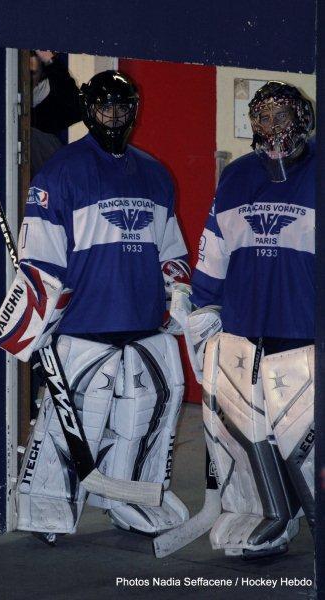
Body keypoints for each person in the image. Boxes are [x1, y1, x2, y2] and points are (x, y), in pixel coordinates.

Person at [0, 70, 191, 541]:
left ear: (135, 109)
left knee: (142, 420)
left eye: (122, 107)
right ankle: (47, 511)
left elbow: (171, 251)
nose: (114, 116)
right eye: (104, 107)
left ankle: (129, 502)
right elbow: (41, 261)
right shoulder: (60, 173)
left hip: (144, 325)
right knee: (72, 426)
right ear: (88, 109)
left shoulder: (155, 174)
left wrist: (179, 297)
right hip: (83, 327)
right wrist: (31, 328)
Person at [179, 81, 315, 558]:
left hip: (304, 330)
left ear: (303, 118)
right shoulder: (236, 177)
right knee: (250, 434)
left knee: (304, 441)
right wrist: (201, 306)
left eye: (283, 117)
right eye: (264, 118)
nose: (274, 128)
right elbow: (213, 253)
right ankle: (272, 516)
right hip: (245, 330)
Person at [30, 50, 82, 176]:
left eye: (32, 73)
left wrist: (50, 61)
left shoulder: (51, 96)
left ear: (42, 73)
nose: (27, 78)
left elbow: (78, 107)